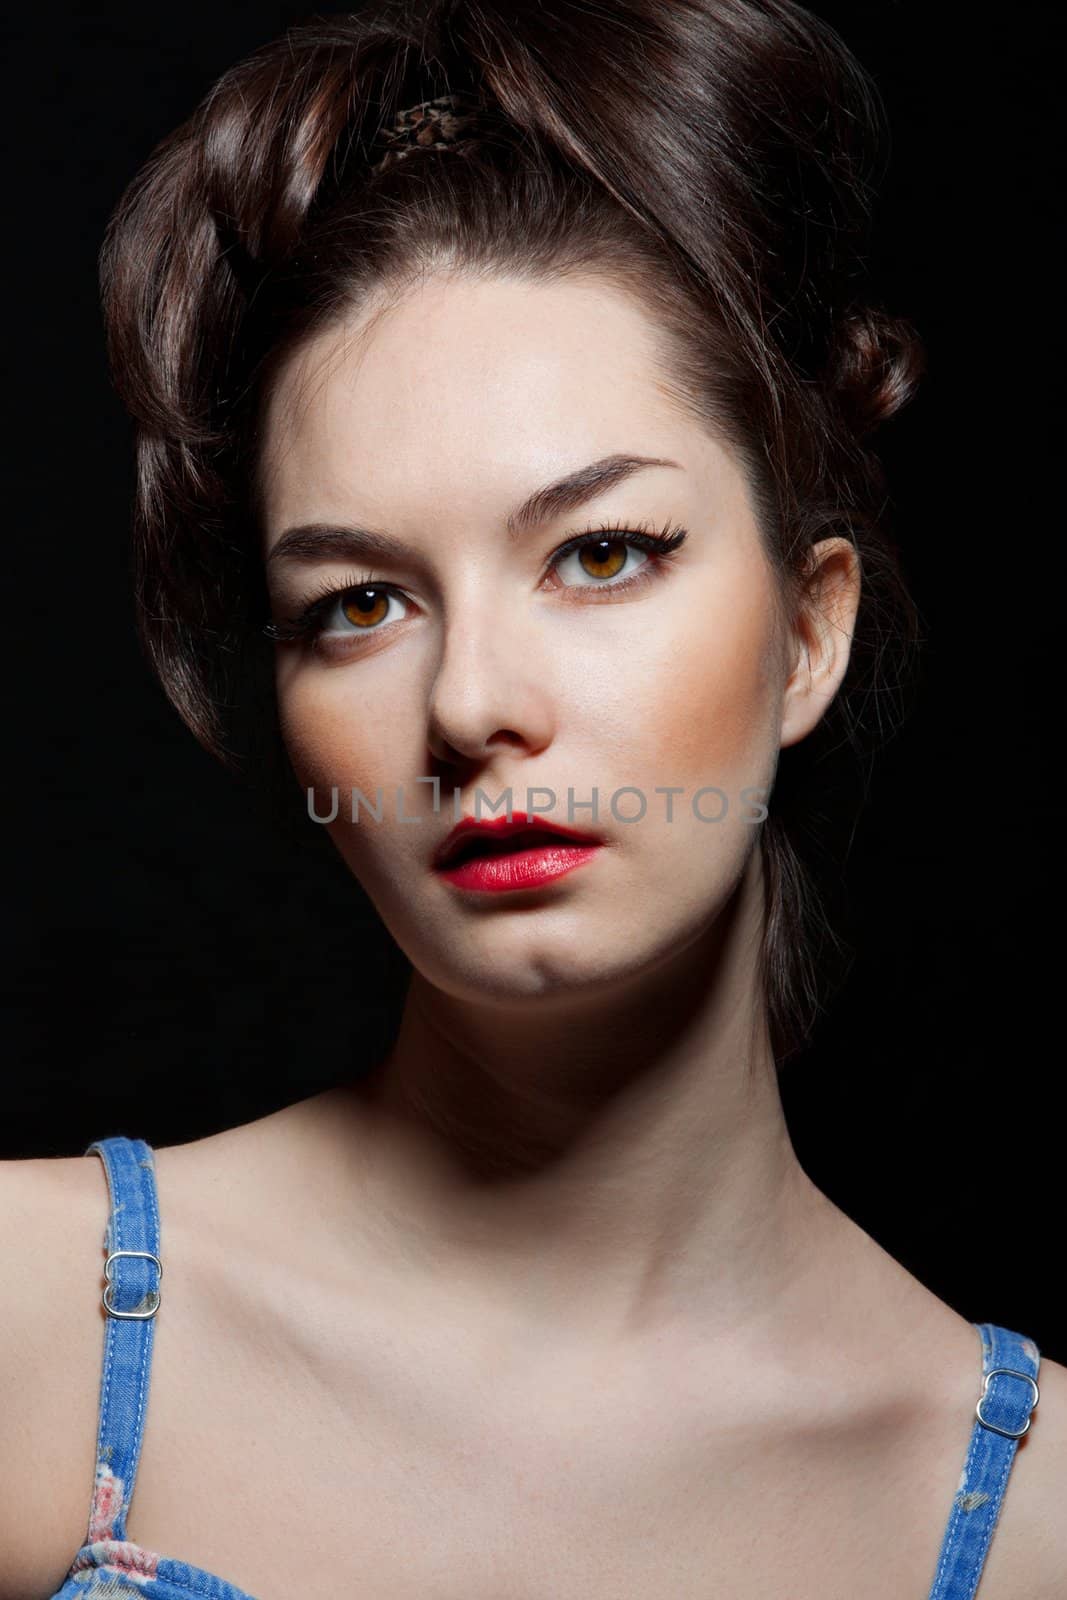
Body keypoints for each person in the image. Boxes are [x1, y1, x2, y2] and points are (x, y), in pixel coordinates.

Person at [2, 2, 1063, 1596]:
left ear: (805, 632)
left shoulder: (1036, 1523)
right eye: (358, 604)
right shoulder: (34, 1321)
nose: (471, 704)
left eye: (601, 554)